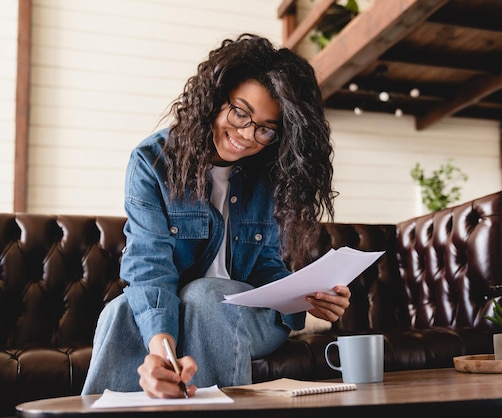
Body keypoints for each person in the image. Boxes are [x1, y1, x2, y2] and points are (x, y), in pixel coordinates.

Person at [81, 33, 350, 398]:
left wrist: (309, 297)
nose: (246, 135)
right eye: (240, 112)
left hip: (245, 315)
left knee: (206, 296)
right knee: (120, 311)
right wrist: (163, 351)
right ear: (214, 98)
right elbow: (148, 265)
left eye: (266, 128)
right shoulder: (152, 161)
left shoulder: (267, 172)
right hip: (183, 311)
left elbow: (263, 265)